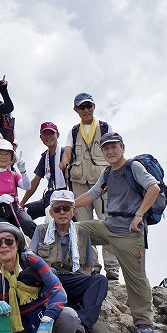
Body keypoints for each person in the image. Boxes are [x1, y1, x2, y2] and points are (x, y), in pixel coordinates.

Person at [75, 132, 160, 333]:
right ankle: (84, 272)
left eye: (114, 147)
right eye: (106, 148)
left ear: (123, 147)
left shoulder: (133, 167)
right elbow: (93, 194)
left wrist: (139, 215)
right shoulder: (107, 173)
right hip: (109, 226)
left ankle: (143, 322)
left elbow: (153, 188)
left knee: (136, 278)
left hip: (130, 232)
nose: (110, 151)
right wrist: (66, 206)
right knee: (76, 231)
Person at [29, 190, 108, 333]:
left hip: (73, 279)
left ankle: (82, 324)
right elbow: (31, 256)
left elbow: (88, 266)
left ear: (73, 211)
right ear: (51, 213)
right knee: (49, 272)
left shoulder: (83, 233)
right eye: (57, 209)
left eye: (66, 208)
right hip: (50, 281)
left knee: (100, 280)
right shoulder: (41, 230)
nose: (62, 212)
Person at [59, 93, 120, 280]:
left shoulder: (104, 126)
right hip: (79, 182)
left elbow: (113, 149)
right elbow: (68, 150)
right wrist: (64, 160)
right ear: (76, 110)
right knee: (84, 226)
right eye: (82, 107)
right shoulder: (74, 131)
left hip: (102, 182)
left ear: (94, 107)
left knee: (107, 222)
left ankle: (112, 269)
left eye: (88, 106)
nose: (86, 110)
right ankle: (92, 266)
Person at [0, 139, 36, 237]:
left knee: (29, 224)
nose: (3, 157)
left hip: (14, 209)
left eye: (7, 154)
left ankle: (38, 250)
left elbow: (27, 186)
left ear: (11, 158)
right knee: (4, 231)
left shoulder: (13, 175)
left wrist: (23, 171)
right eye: (0, 154)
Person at [19, 122, 68, 220]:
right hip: (48, 197)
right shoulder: (45, 157)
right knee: (23, 212)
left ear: (57, 135)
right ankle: (34, 235)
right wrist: (21, 203)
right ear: (41, 137)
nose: (48, 137)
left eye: (51, 133)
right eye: (45, 134)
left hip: (64, 197)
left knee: (51, 217)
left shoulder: (65, 153)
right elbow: (35, 181)